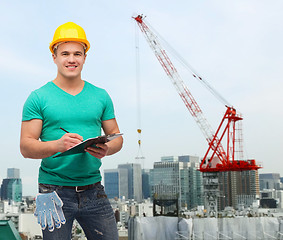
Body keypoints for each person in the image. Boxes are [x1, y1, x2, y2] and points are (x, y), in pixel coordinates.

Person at [20, 22, 123, 240]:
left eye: (78, 53)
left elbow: (116, 137)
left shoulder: (101, 96)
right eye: (65, 53)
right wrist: (58, 145)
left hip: (94, 189)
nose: (71, 59)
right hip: (53, 191)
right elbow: (26, 146)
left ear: (85, 57)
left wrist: (107, 149)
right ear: (54, 56)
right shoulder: (38, 97)